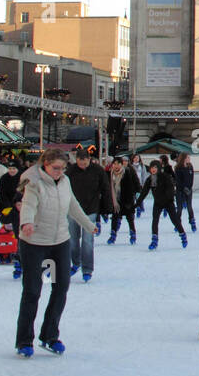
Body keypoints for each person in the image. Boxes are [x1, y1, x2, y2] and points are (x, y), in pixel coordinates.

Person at [16, 148, 96, 357]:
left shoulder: (65, 182)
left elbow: (73, 205)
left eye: (62, 168)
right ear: (45, 165)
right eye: (55, 168)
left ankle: (50, 335)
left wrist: (88, 225)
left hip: (60, 241)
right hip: (34, 242)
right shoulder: (35, 183)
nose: (59, 172)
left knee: (61, 288)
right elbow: (28, 206)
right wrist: (26, 223)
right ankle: (24, 340)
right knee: (32, 290)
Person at [66, 151, 113, 283]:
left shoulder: (98, 170)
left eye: (84, 161)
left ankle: (87, 269)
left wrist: (106, 208)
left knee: (87, 241)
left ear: (89, 159)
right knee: (73, 239)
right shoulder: (70, 171)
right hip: (73, 210)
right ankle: (75, 262)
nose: (82, 163)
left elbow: (105, 189)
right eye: (80, 161)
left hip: (91, 209)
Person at [135, 159, 187, 248]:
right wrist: (137, 204)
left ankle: (183, 235)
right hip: (158, 202)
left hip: (168, 202)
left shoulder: (165, 177)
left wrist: (168, 198)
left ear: (158, 168)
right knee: (155, 220)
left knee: (174, 220)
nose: (153, 169)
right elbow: (144, 192)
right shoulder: (150, 179)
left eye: (155, 167)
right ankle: (154, 241)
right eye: (152, 168)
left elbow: (170, 189)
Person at [108, 157, 140, 244]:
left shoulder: (127, 172)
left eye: (118, 164)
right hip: (116, 201)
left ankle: (133, 234)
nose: (116, 166)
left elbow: (131, 186)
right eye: (114, 164)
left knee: (130, 218)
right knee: (114, 218)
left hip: (127, 200)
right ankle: (113, 235)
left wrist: (134, 197)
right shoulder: (110, 174)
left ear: (122, 165)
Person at [174, 152, 197, 233]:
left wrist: (189, 188)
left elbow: (191, 179)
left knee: (189, 207)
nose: (189, 159)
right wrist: (184, 188)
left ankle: (192, 221)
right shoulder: (178, 168)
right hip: (180, 191)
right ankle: (178, 224)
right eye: (187, 157)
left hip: (189, 190)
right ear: (183, 158)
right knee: (179, 209)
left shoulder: (190, 167)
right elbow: (178, 180)